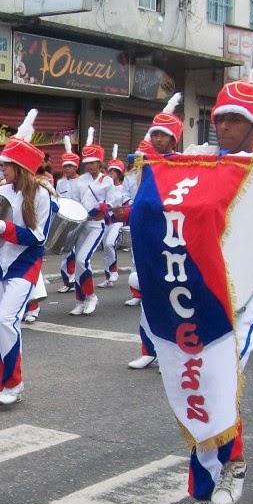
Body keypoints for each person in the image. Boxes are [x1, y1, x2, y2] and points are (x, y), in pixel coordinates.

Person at [133, 44, 253, 504]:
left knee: (214, 380)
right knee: (199, 383)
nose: (222, 126)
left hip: (252, 292)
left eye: (234, 121)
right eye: (219, 118)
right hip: (199, 290)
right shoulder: (198, 164)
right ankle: (214, 481)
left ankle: (222, 478)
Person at [0, 110, 55, 404]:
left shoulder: (41, 195)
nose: (1, 170)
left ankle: (14, 385)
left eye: (6, 165)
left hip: (24, 264)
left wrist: (7, 229)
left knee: (6, 320)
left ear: (20, 167)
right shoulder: (2, 190)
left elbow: (39, 238)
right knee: (0, 326)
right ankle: (5, 384)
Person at [127, 93, 184, 369]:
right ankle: (148, 348)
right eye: (155, 135)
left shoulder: (182, 165)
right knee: (148, 294)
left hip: (172, 238)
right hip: (146, 236)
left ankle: (172, 350)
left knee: (172, 296)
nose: (157, 139)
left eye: (162, 135)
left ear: (173, 138)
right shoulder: (146, 164)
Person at [69, 127, 111, 316]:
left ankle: (91, 296)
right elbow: (75, 200)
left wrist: (102, 207)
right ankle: (80, 300)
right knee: (79, 263)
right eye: (87, 163)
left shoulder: (107, 181)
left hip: (96, 225)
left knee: (82, 259)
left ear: (99, 162)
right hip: (81, 224)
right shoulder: (80, 180)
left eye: (93, 163)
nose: (90, 166)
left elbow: (111, 203)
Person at [98, 144, 127, 289]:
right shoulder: (105, 186)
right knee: (106, 249)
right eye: (110, 171)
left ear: (120, 173)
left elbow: (126, 203)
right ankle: (108, 277)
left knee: (110, 244)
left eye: (115, 171)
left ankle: (114, 271)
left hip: (117, 220)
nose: (111, 173)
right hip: (106, 220)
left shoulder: (123, 187)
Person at [55, 139, 82, 293]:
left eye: (70, 166)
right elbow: (59, 199)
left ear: (76, 166)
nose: (67, 168)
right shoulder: (60, 183)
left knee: (76, 252)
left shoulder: (81, 182)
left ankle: (76, 279)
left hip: (79, 221)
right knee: (65, 251)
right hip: (64, 220)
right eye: (65, 166)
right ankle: (67, 280)